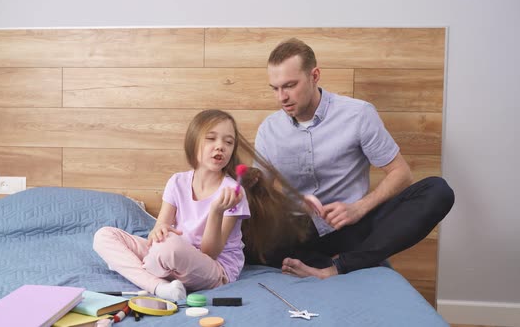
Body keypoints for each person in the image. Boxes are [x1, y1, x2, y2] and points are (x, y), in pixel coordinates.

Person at [254, 38, 455, 279]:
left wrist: (358, 209)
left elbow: (402, 174)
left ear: (314, 76)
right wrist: (291, 203)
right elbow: (260, 197)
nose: (281, 97)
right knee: (238, 227)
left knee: (438, 190)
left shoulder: (358, 114)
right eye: (274, 88)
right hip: (295, 232)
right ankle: (331, 261)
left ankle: (336, 267)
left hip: (351, 228)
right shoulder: (269, 129)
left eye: (289, 85)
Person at [93, 109, 251, 301]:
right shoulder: (177, 182)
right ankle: (160, 286)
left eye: (228, 142)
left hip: (215, 269)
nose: (220, 147)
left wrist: (216, 212)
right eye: (211, 138)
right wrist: (158, 231)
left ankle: (139, 271)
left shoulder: (233, 192)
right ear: (193, 143)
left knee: (168, 248)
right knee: (104, 236)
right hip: (173, 255)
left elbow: (210, 253)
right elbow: (159, 228)